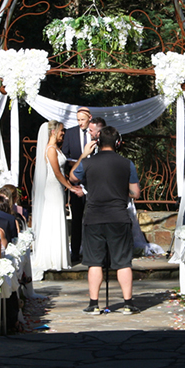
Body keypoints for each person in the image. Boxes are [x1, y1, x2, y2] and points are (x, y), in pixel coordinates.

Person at [72, 125, 141, 315]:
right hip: (118, 217)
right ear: (117, 143)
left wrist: (84, 156)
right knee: (123, 262)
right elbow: (135, 192)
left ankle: (94, 304)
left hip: (93, 217)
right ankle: (128, 303)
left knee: (94, 262)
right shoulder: (127, 164)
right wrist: (120, 191)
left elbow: (72, 177)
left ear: (98, 143)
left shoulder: (87, 163)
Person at [32, 121, 84, 280]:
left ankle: (58, 257)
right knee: (54, 220)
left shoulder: (56, 149)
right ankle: (52, 258)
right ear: (53, 131)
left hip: (58, 189)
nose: (63, 134)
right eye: (61, 131)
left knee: (57, 219)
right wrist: (71, 187)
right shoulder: (50, 150)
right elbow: (57, 173)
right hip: (53, 189)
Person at [62, 107, 94, 264]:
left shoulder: (95, 132)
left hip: (93, 181)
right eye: (78, 120)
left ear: (89, 118)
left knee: (93, 218)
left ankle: (91, 251)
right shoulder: (70, 133)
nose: (80, 123)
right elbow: (65, 155)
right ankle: (75, 251)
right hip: (76, 181)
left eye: (82, 119)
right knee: (76, 218)